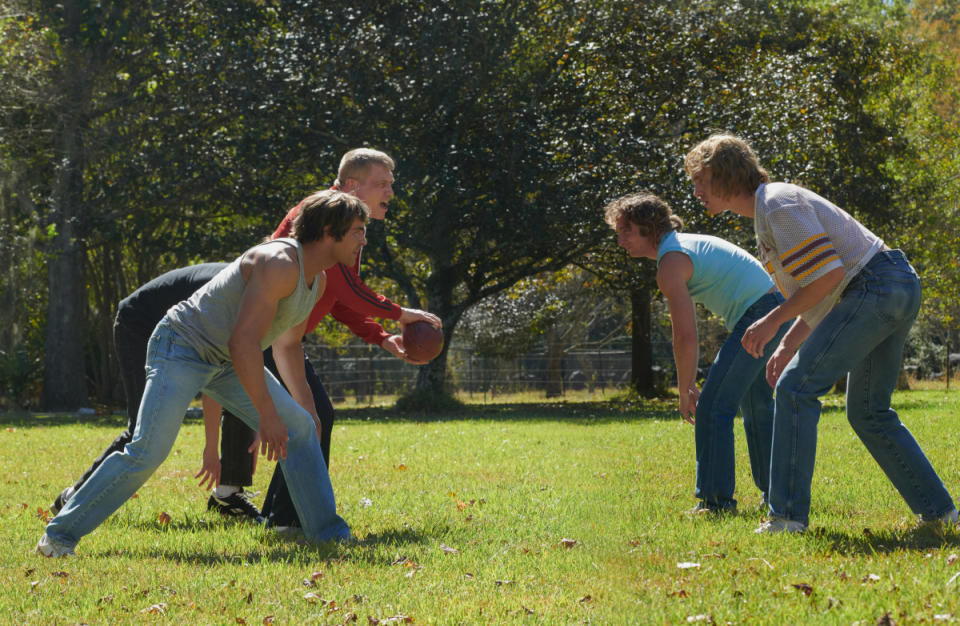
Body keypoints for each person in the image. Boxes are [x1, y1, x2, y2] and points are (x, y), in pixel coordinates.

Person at [36, 190, 364, 557]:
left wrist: (307, 412)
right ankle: (59, 537)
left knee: (301, 429)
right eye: (356, 231)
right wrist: (267, 416)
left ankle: (328, 535)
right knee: (148, 449)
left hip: (223, 361)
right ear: (327, 231)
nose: (363, 240)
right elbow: (244, 342)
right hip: (181, 348)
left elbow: (286, 346)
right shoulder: (279, 263)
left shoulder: (315, 280)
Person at [684, 133, 957, 533]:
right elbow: (820, 293)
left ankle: (787, 517)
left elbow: (829, 277)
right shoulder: (768, 211)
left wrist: (772, 321)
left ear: (724, 176)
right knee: (869, 411)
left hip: (874, 287)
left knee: (796, 389)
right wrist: (786, 347)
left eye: (699, 180)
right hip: (890, 286)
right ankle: (942, 514)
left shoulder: (777, 203)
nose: (695, 191)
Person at [250, 148, 442, 529]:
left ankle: (280, 515)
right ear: (352, 185)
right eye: (382, 184)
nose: (390, 192)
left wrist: (383, 337)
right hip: (259, 337)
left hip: (282, 339)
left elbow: (337, 297)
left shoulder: (350, 224)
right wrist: (400, 314)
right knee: (311, 417)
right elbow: (345, 285)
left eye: (391, 184)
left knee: (311, 418)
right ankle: (284, 518)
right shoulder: (324, 216)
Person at [604, 192, 791, 514]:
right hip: (776, 309)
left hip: (762, 313)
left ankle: (716, 503)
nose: (620, 240)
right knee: (756, 405)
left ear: (649, 228)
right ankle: (777, 496)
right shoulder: (681, 247)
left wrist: (686, 388)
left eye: (626, 231)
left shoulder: (671, 261)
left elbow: (686, 336)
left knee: (713, 406)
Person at [48, 263, 265, 523]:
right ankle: (73, 499)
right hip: (138, 325)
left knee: (242, 385)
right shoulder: (237, 292)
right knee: (143, 429)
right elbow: (214, 378)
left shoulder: (259, 290)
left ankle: (228, 493)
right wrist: (210, 449)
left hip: (175, 329)